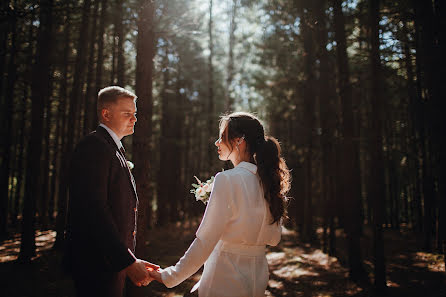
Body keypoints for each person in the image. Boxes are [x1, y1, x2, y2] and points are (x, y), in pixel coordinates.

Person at [148, 111, 291, 296]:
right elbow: (273, 238)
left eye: (222, 136)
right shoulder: (268, 182)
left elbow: (205, 240)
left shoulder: (227, 179)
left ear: (239, 140)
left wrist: (170, 276)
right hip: (257, 280)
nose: (217, 142)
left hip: (223, 279)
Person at [63, 86, 158, 297]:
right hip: (95, 264)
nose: (134, 119)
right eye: (127, 114)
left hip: (111, 264)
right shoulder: (94, 146)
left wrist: (130, 260)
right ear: (106, 114)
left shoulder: (113, 149)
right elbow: (95, 210)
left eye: (135, 114)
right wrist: (126, 261)